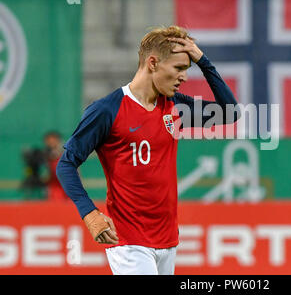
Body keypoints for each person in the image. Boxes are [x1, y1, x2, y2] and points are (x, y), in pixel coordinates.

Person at [56, 25, 239, 275]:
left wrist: (203, 61)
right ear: (153, 63)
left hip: (167, 240)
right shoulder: (107, 110)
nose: (184, 77)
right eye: (179, 68)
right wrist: (89, 213)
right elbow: (66, 163)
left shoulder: (174, 106)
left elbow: (230, 112)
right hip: (129, 242)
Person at [43, 131, 67, 201]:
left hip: (66, 184)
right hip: (54, 186)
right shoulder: (45, 154)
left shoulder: (65, 152)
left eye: (53, 140)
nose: (51, 143)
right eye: (49, 141)